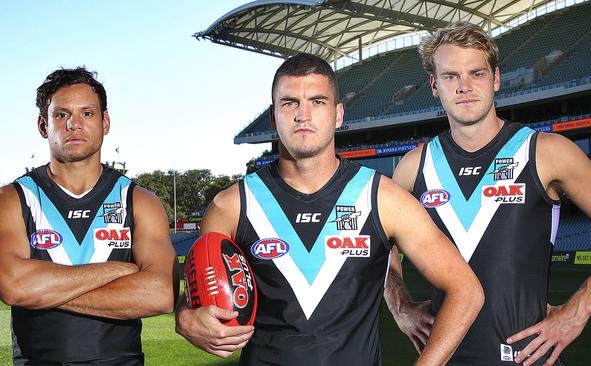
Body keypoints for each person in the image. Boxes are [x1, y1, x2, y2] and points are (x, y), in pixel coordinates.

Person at [175, 53, 484, 366]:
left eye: (317, 101)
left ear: (338, 114)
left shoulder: (382, 199)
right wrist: (185, 318)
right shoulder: (231, 206)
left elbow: (466, 290)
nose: (303, 115)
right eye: (289, 103)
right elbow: (195, 298)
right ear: (273, 116)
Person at [384, 21, 591, 366]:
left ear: (496, 79)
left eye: (476, 74)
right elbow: (377, 242)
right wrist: (400, 305)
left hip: (527, 359)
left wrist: (577, 310)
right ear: (435, 85)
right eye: (451, 76)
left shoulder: (545, 152)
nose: (464, 87)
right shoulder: (413, 166)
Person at [0, 67, 178, 365]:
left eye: (87, 113)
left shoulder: (139, 201)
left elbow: (160, 293)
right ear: (43, 126)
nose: (74, 124)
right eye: (61, 115)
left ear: (105, 122)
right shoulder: (12, 200)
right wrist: (117, 270)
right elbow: (13, 285)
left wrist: (43, 291)